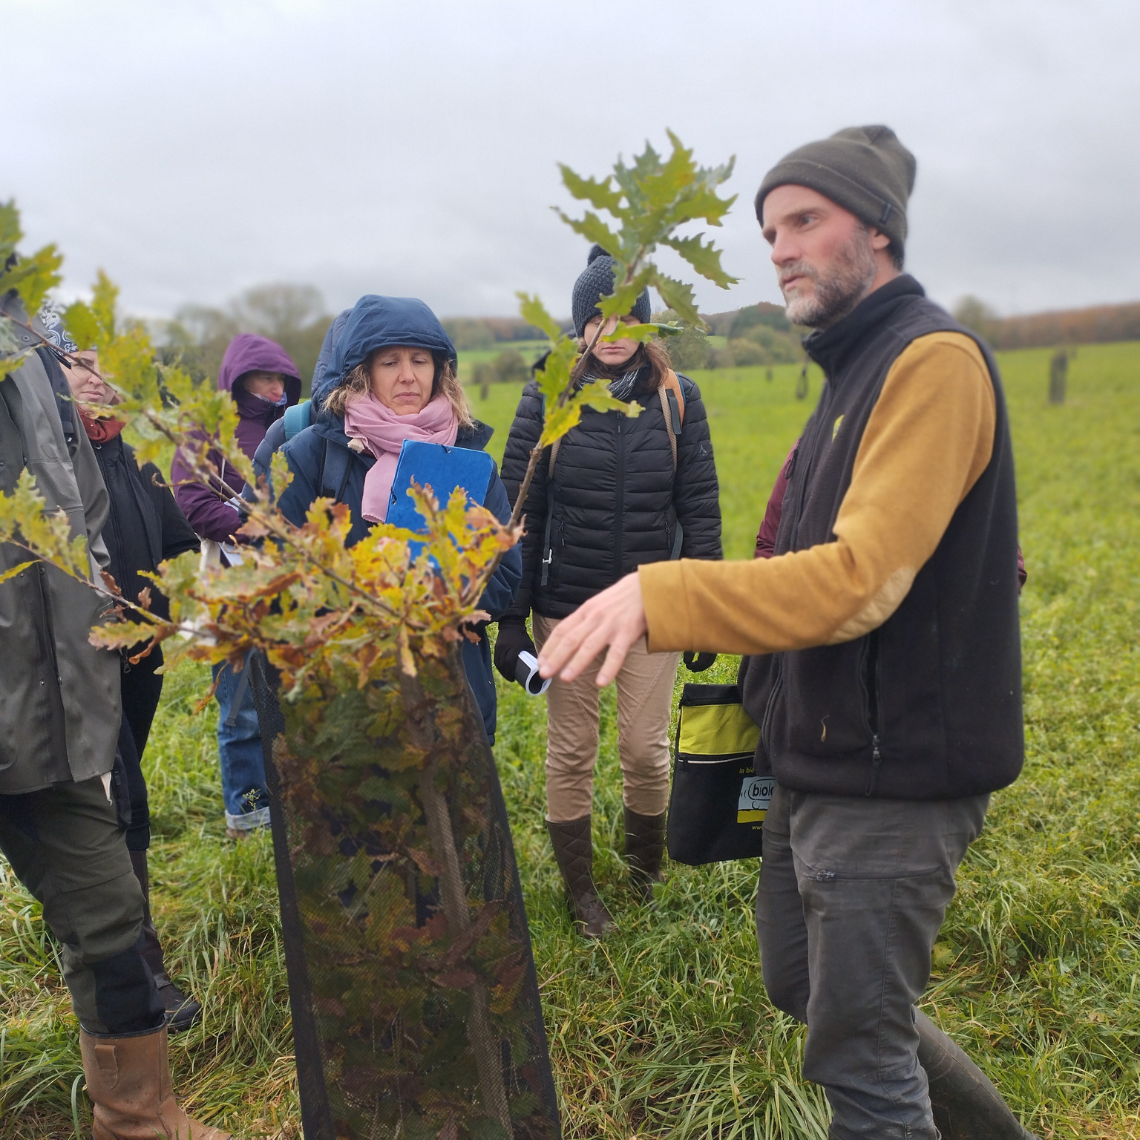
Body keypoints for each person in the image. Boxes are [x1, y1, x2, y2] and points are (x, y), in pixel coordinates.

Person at [536, 127, 1037, 1139]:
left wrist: (661, 592)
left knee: (857, 1050)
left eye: (806, 220)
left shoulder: (930, 361)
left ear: (881, 229)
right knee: (809, 991)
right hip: (817, 755)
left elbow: (858, 582)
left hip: (894, 774)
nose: (780, 248)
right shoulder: (855, 370)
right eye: (771, 230)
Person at [0, 292, 231, 1140]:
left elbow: (89, 521)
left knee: (107, 908)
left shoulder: (33, 346)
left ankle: (141, 1119)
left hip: (58, 699)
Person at [495, 245, 721, 938]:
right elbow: (516, 513)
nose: (615, 330)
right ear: (579, 326)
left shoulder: (679, 399)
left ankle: (643, 874)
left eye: (628, 315)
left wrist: (703, 612)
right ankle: (580, 892)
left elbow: (700, 506)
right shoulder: (548, 397)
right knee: (570, 752)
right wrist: (509, 615)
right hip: (568, 608)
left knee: (645, 751)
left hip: (652, 607)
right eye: (599, 316)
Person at [276, 294, 522, 743]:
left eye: (420, 361)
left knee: (449, 815)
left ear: (439, 370)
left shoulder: (467, 459)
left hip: (449, 698)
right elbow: (274, 573)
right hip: (345, 701)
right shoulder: (311, 457)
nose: (408, 376)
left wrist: (442, 590)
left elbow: (505, 576)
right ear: (362, 371)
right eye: (390, 362)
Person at [55, 322, 204, 1031]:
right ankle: (140, 970)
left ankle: (105, 943)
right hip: (85, 658)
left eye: (108, 368)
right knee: (121, 803)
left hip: (144, 654)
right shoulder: (54, 457)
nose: (96, 378)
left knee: (127, 789)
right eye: (80, 365)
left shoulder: (132, 453)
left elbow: (174, 539)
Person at [172, 334, 302, 838]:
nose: (275, 387)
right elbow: (192, 502)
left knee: (294, 697)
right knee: (242, 706)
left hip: (293, 587)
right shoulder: (206, 430)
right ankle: (248, 818)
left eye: (282, 378)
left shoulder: (296, 426)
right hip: (232, 592)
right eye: (264, 378)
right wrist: (253, 527)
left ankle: (295, 805)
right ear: (239, 379)